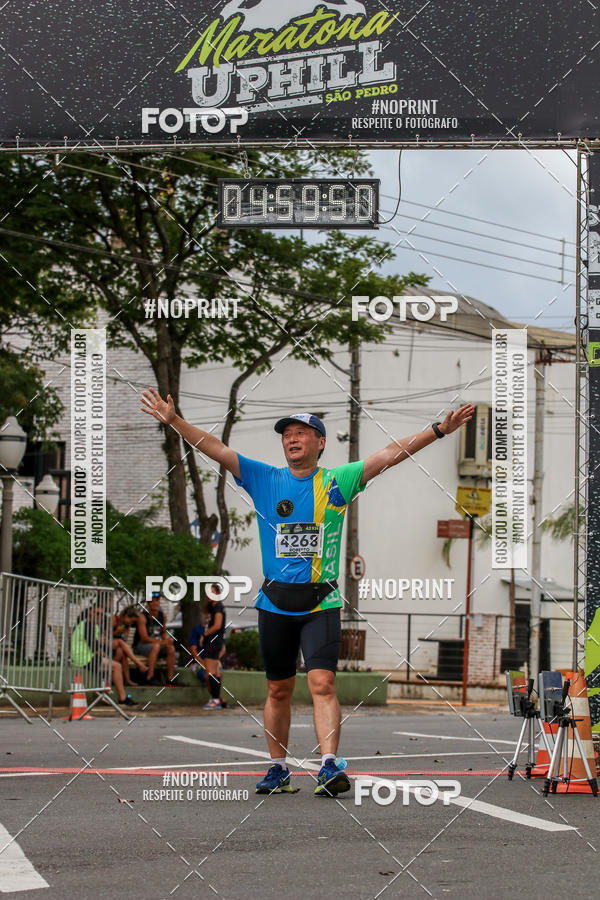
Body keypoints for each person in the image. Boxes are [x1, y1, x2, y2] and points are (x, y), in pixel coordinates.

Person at [141, 388, 473, 797]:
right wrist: (174, 422)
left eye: (302, 433)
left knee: (322, 683)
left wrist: (440, 430)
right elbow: (216, 449)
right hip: (275, 603)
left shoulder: (338, 481)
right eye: (286, 434)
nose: (292, 439)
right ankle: (278, 768)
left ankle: (329, 765)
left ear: (320, 442)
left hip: (322, 601)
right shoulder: (265, 478)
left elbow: (390, 454)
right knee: (277, 688)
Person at [70, 604, 137, 706]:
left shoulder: (93, 626)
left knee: (113, 661)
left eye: (101, 614)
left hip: (86, 656)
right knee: (116, 666)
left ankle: (104, 689)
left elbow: (99, 643)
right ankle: (122, 698)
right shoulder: (88, 625)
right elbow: (94, 646)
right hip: (83, 658)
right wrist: (104, 654)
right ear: (90, 613)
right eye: (96, 613)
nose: (99, 616)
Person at [133, 591, 178, 686]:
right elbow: (144, 638)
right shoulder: (143, 616)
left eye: (157, 601)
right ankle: (150, 677)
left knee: (171, 648)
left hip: (156, 644)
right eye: (152, 601)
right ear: (148, 604)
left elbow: (163, 633)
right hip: (141, 645)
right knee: (156, 646)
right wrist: (162, 642)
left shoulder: (162, 616)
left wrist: (168, 640)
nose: (155, 603)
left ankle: (170, 679)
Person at [201, 586, 227, 710]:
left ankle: (215, 700)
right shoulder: (212, 607)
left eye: (211, 592)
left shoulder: (218, 608)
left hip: (213, 642)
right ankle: (216, 698)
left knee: (210, 672)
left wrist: (205, 634)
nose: (208, 595)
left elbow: (217, 626)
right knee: (214, 672)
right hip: (211, 642)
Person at [112, 605, 148, 686]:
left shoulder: (127, 626)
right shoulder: (115, 620)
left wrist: (124, 632)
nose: (131, 623)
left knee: (122, 652)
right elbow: (105, 636)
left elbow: (126, 641)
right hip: (108, 646)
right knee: (120, 642)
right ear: (126, 616)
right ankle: (138, 664)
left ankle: (127, 680)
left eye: (133, 622)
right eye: (131, 621)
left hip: (118, 648)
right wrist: (116, 633)